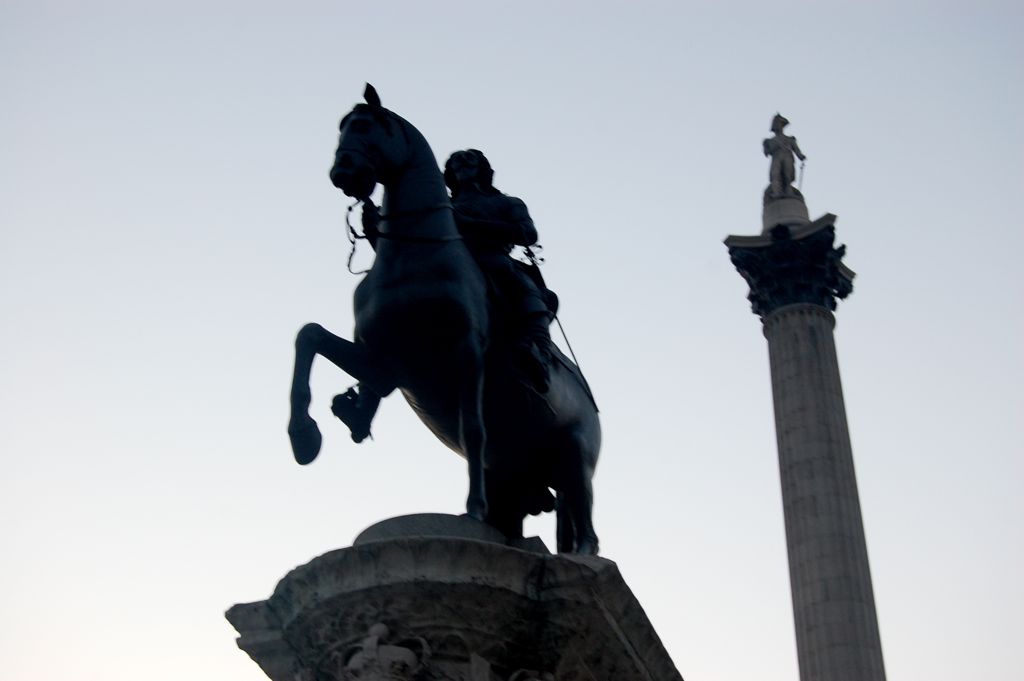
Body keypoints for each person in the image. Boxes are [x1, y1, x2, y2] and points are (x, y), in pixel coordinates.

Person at [331, 150, 555, 443]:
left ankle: (536, 351)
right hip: (441, 269)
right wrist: (375, 232)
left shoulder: (505, 203)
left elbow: (527, 232)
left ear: (483, 170)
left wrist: (470, 224)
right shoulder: (439, 205)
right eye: (456, 163)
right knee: (389, 318)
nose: (462, 165)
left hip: (489, 261)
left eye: (469, 161)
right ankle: (365, 408)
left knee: (525, 289)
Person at [763, 113, 807, 198]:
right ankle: (776, 193)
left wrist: (801, 156)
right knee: (775, 175)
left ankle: (788, 192)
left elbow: (797, 151)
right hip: (776, 157)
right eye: (776, 124)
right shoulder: (770, 141)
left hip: (788, 157)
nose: (778, 126)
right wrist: (767, 146)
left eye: (779, 124)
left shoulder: (790, 139)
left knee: (787, 175)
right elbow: (767, 153)